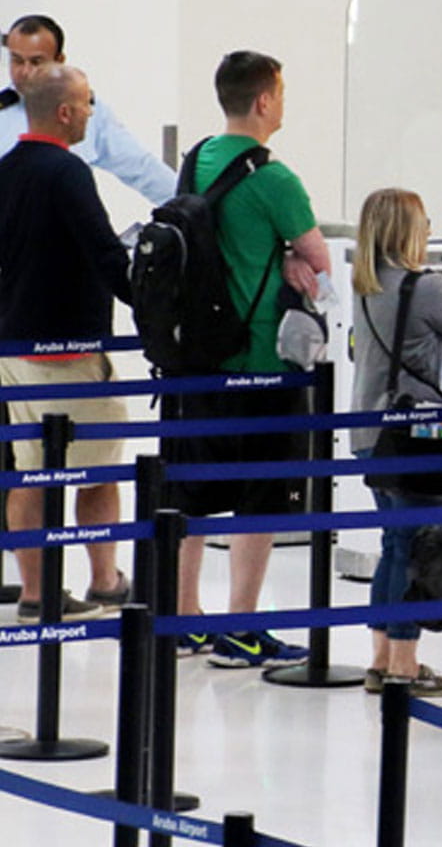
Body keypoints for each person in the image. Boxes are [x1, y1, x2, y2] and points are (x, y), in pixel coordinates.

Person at [161, 51, 333, 669]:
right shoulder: (275, 177)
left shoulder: (196, 157)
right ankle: (242, 627)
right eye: (281, 93)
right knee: (260, 498)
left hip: (195, 357)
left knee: (192, 492)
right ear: (264, 101)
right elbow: (320, 261)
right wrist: (293, 257)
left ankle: (183, 619)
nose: (283, 104)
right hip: (259, 357)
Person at [0, 64, 131, 622]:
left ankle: (36, 590)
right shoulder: (67, 172)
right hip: (66, 350)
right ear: (64, 112)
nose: (90, 112)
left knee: (30, 467)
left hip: (12, 346)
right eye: (86, 103)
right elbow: (104, 252)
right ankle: (103, 580)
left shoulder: (5, 170)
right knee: (100, 463)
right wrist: (151, 304)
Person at [348, 188, 442, 697]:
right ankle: (403, 665)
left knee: (393, 544)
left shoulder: (365, 286)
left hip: (369, 432)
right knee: (413, 548)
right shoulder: (428, 287)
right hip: (415, 434)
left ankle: (381, 657)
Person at [0, 14, 175, 205]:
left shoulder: (86, 112)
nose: (25, 72)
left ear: (59, 61)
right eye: (17, 60)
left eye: (36, 62)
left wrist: (190, 209)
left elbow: (140, 168)